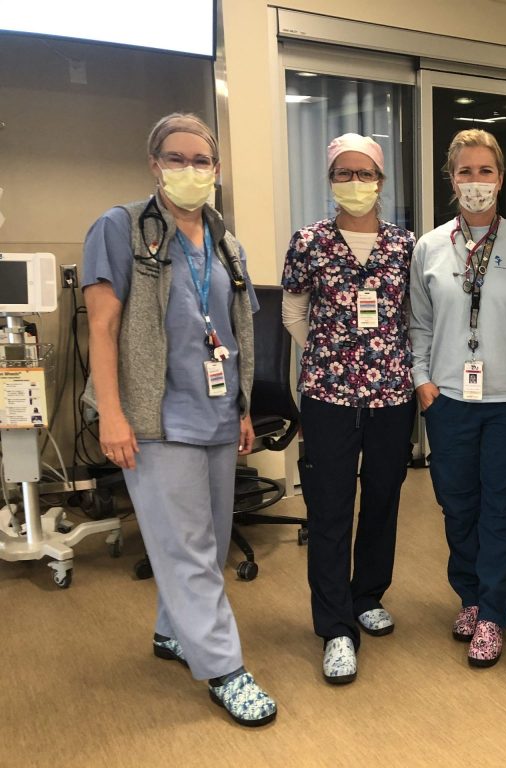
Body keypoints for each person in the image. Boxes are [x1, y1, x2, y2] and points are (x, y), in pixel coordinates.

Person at [83, 113, 275, 727]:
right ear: (154, 164)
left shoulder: (225, 241)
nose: (190, 170)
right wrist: (112, 414)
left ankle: (173, 630)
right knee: (189, 550)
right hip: (155, 421)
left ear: (216, 170)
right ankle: (225, 668)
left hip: (216, 416)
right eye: (177, 158)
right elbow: (103, 328)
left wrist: (242, 407)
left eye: (202, 160)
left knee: (210, 543)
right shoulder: (119, 228)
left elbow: (235, 333)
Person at [409, 129, 506, 667]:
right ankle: (469, 596)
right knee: (458, 505)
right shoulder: (428, 247)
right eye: (465, 172)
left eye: (485, 172)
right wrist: (423, 384)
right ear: (451, 181)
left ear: (501, 179)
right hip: (447, 400)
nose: (476, 182)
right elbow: (419, 326)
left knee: (504, 509)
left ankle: (494, 612)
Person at [281, 134, 416, 684]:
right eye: (345, 173)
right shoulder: (310, 241)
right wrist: (326, 352)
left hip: (392, 395)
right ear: (330, 181)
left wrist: (387, 359)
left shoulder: (405, 246)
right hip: (328, 395)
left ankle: (368, 596)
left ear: (381, 182)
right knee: (331, 507)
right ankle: (336, 627)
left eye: (366, 174)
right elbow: (293, 310)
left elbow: (415, 315)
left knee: (383, 498)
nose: (355, 184)